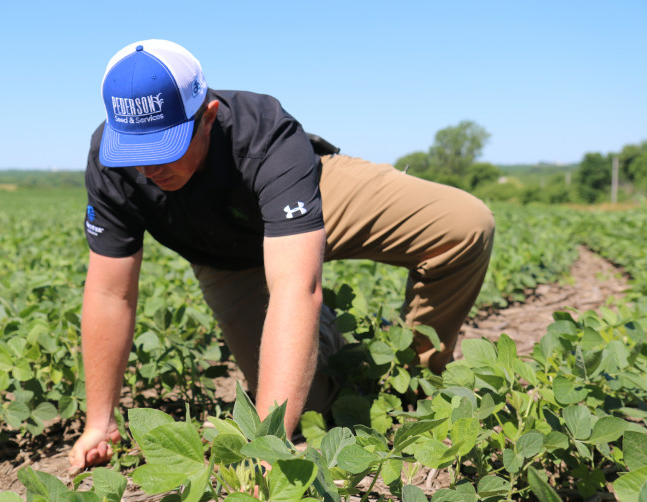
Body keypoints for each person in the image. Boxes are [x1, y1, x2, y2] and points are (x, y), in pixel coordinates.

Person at [68, 39, 495, 471]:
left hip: (304, 204)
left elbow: (295, 287)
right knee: (309, 403)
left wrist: (267, 449)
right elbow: (110, 293)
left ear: (208, 117)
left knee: (463, 226)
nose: (146, 169)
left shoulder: (263, 133)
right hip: (224, 256)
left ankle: (415, 374)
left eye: (163, 148)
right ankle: (327, 337)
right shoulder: (110, 161)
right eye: (134, 151)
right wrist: (99, 423)